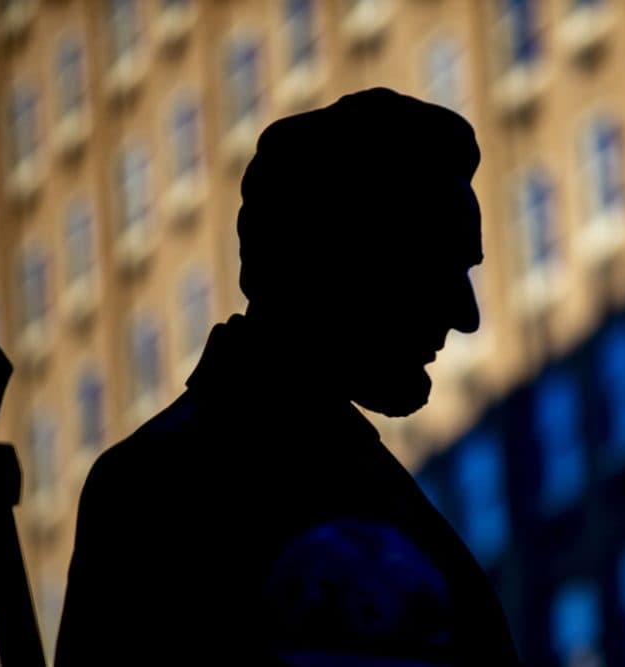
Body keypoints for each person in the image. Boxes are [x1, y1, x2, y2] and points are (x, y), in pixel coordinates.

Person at [54, 87, 522, 666]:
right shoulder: (158, 489)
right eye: (438, 268)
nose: (466, 315)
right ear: (343, 261)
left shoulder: (383, 498)